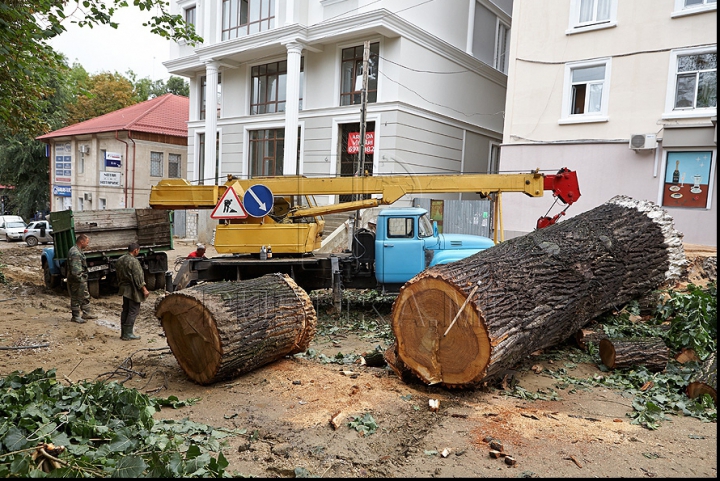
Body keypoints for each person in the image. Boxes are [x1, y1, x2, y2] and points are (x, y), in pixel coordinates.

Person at [115, 242, 149, 341]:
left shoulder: (120, 259)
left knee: (125, 309)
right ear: (135, 250)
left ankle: (123, 332)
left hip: (123, 288)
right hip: (132, 289)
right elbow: (138, 278)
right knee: (133, 310)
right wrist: (144, 290)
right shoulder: (134, 262)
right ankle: (128, 333)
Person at [67, 233, 97, 323]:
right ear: (81, 241)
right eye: (87, 242)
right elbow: (76, 271)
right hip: (76, 280)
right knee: (76, 297)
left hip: (80, 279)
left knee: (85, 296)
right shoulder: (75, 253)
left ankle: (86, 313)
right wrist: (81, 280)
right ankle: (75, 316)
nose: (88, 244)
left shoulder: (78, 250)